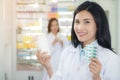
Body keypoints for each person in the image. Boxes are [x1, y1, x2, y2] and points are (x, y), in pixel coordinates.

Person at [36, 1, 120, 80]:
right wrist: (48, 67)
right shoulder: (67, 53)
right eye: (77, 22)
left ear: (98, 25)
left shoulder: (111, 59)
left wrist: (97, 77)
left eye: (87, 22)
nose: (79, 28)